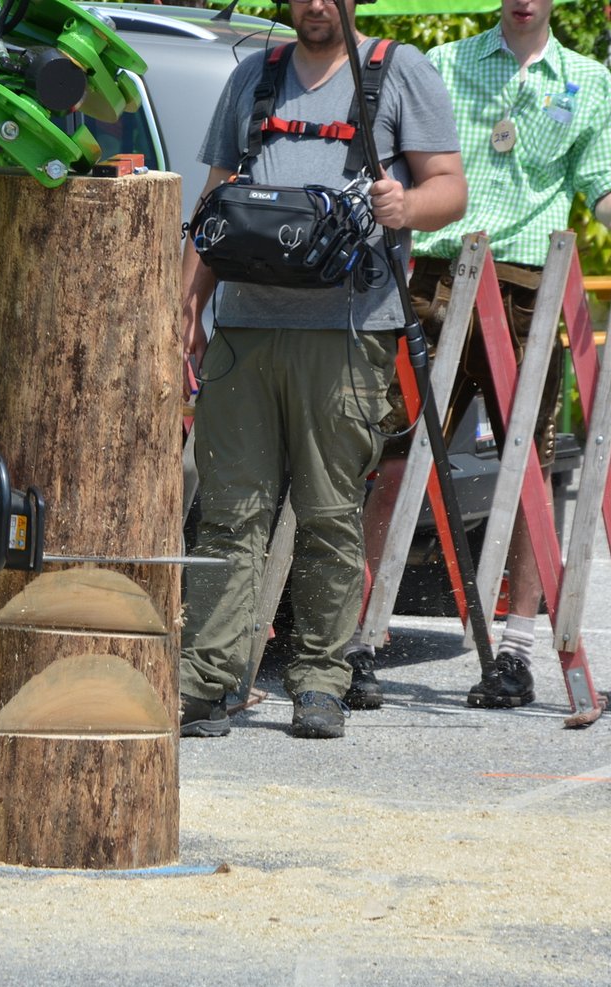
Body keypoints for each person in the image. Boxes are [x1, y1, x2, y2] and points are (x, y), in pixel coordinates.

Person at [351, 0, 611, 712]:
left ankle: (516, 651)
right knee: (392, 459)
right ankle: (358, 639)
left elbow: (602, 183)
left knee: (529, 469)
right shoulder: (446, 63)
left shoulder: (586, 79)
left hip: (527, 288)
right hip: (436, 275)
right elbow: (401, 158)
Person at [178, 0, 466, 740]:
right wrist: (187, 304)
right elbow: (215, 196)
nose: (313, 5)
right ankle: (207, 681)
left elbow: (450, 189)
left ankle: (320, 681)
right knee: (229, 514)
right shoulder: (253, 75)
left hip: (346, 332)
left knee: (330, 515)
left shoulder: (399, 72)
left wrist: (408, 205)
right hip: (244, 332)